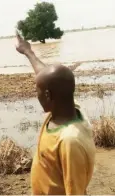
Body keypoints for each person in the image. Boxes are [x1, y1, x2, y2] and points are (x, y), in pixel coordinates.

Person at [15, 31, 96, 195]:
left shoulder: (70, 141)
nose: (36, 96)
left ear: (47, 95)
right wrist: (27, 51)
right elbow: (46, 76)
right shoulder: (67, 108)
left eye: (37, 92)